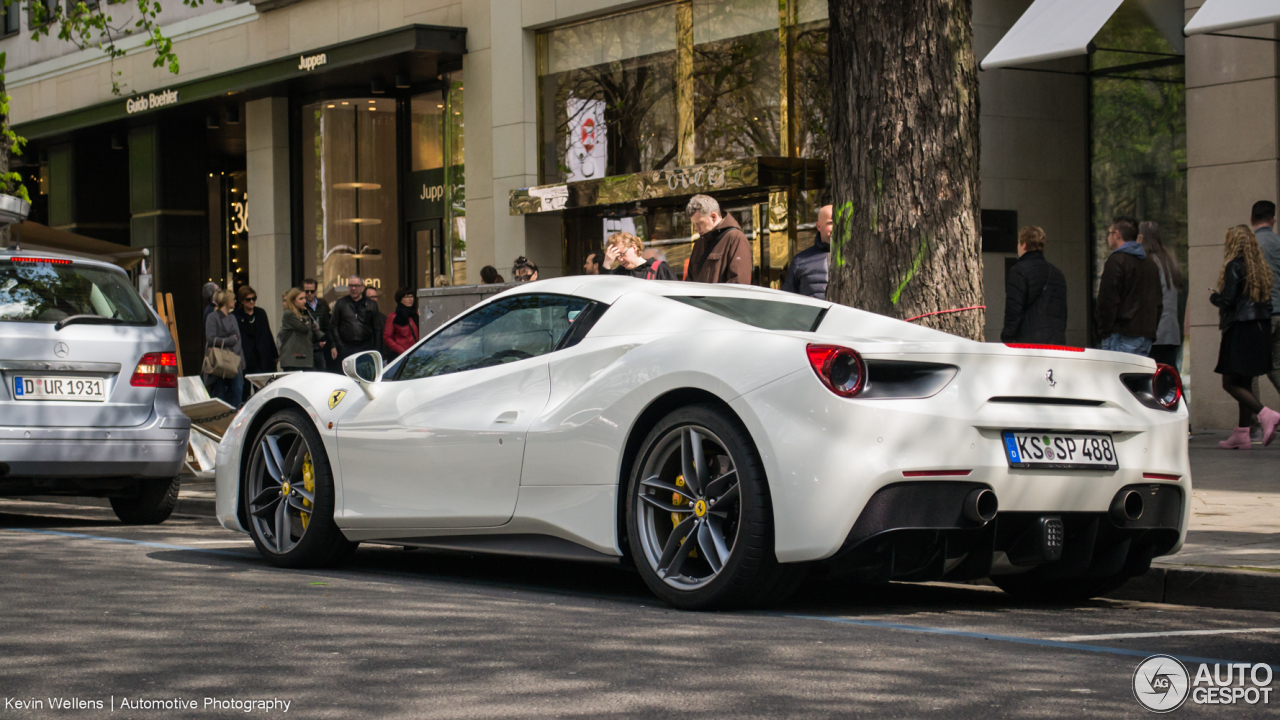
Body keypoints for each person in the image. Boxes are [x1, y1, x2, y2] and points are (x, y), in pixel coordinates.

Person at [1211, 225, 1279, 449]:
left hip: (1239, 329)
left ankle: (1265, 414)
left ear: (1234, 243)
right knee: (1245, 382)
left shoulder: (1234, 266)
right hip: (1258, 329)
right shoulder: (1259, 268)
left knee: (1229, 382)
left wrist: (1215, 298)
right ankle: (1241, 434)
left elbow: (1229, 302)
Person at [1095, 217, 1162, 356]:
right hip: (1145, 337)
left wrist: (1103, 331)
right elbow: (1158, 303)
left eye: (1109, 233)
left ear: (1117, 234)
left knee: (1115, 376)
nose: (1108, 237)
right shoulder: (1150, 264)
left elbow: (1107, 301)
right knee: (1138, 377)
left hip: (1120, 335)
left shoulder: (1116, 261)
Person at [1000, 226, 1068, 344]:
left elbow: (1014, 310)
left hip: (1030, 344)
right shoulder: (1058, 274)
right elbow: (1062, 313)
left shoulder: (1019, 270)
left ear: (1024, 245)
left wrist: (1007, 338)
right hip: (1057, 342)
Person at [1138, 222, 1184, 367]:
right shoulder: (1169, 262)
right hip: (1171, 331)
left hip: (1154, 332)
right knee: (1168, 376)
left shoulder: (1147, 263)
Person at [684, 194, 751, 284]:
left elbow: (739, 284)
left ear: (713, 217)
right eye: (694, 224)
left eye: (699, 223)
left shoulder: (735, 238)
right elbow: (690, 280)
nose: (696, 228)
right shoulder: (700, 243)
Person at [1251, 201, 1280, 396]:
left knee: (1249, 370)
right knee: (1276, 366)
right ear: (1273, 220)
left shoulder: (1250, 246)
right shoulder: (1278, 242)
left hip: (1259, 314)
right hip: (1279, 311)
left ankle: (1253, 421)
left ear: (1251, 220)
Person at [233, 285, 278, 399]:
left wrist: (274, 354)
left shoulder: (260, 313)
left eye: (254, 298)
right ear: (242, 301)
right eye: (248, 299)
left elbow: (267, 333)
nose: (252, 302)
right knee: (244, 389)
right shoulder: (236, 315)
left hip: (260, 355)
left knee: (261, 389)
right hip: (245, 356)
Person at [781, 204, 834, 299]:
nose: (836, 227)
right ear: (818, 226)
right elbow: (787, 300)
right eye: (831, 223)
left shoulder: (856, 258)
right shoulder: (800, 261)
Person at [204, 289, 244, 407]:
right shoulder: (212, 317)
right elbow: (210, 339)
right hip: (219, 360)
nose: (235, 301)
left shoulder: (232, 317)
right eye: (233, 299)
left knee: (238, 390)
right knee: (219, 392)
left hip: (233, 358)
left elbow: (238, 338)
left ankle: (236, 415)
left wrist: (238, 354)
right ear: (227, 301)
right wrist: (229, 341)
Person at [330, 275, 377, 372]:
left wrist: (376, 349)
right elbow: (333, 325)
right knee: (346, 376)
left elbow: (377, 328)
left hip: (365, 346)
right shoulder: (341, 303)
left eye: (356, 285)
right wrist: (338, 345)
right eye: (350, 286)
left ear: (362, 287)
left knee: (364, 374)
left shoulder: (371, 304)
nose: (353, 288)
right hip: (346, 346)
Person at [279, 288, 321, 371]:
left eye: (304, 298)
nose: (304, 301)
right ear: (293, 301)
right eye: (301, 299)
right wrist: (307, 316)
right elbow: (305, 327)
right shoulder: (289, 314)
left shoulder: (301, 313)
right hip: (294, 360)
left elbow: (314, 326)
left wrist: (321, 336)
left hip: (303, 357)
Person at [603, 232, 676, 280]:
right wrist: (607, 264)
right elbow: (602, 291)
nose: (620, 260)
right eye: (616, 257)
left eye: (622, 254)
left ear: (634, 247)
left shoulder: (659, 268)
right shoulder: (619, 273)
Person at [302, 278, 331, 371]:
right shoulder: (301, 306)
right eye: (307, 291)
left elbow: (327, 326)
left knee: (321, 373)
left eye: (312, 291)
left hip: (322, 345)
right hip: (307, 346)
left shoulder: (322, 305)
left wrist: (330, 343)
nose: (309, 293)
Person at [384, 287, 420, 358]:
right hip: (400, 355)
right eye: (406, 297)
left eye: (411, 296)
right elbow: (387, 337)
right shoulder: (393, 316)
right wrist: (401, 350)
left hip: (416, 353)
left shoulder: (416, 314)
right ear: (400, 299)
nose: (410, 299)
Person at [364, 286, 387, 361]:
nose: (375, 299)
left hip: (380, 357)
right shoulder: (358, 317)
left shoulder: (382, 317)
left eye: (376, 297)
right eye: (372, 297)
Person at [201, 281, 220, 347]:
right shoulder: (211, 310)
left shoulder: (212, 308)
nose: (220, 291)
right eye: (218, 290)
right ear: (214, 294)